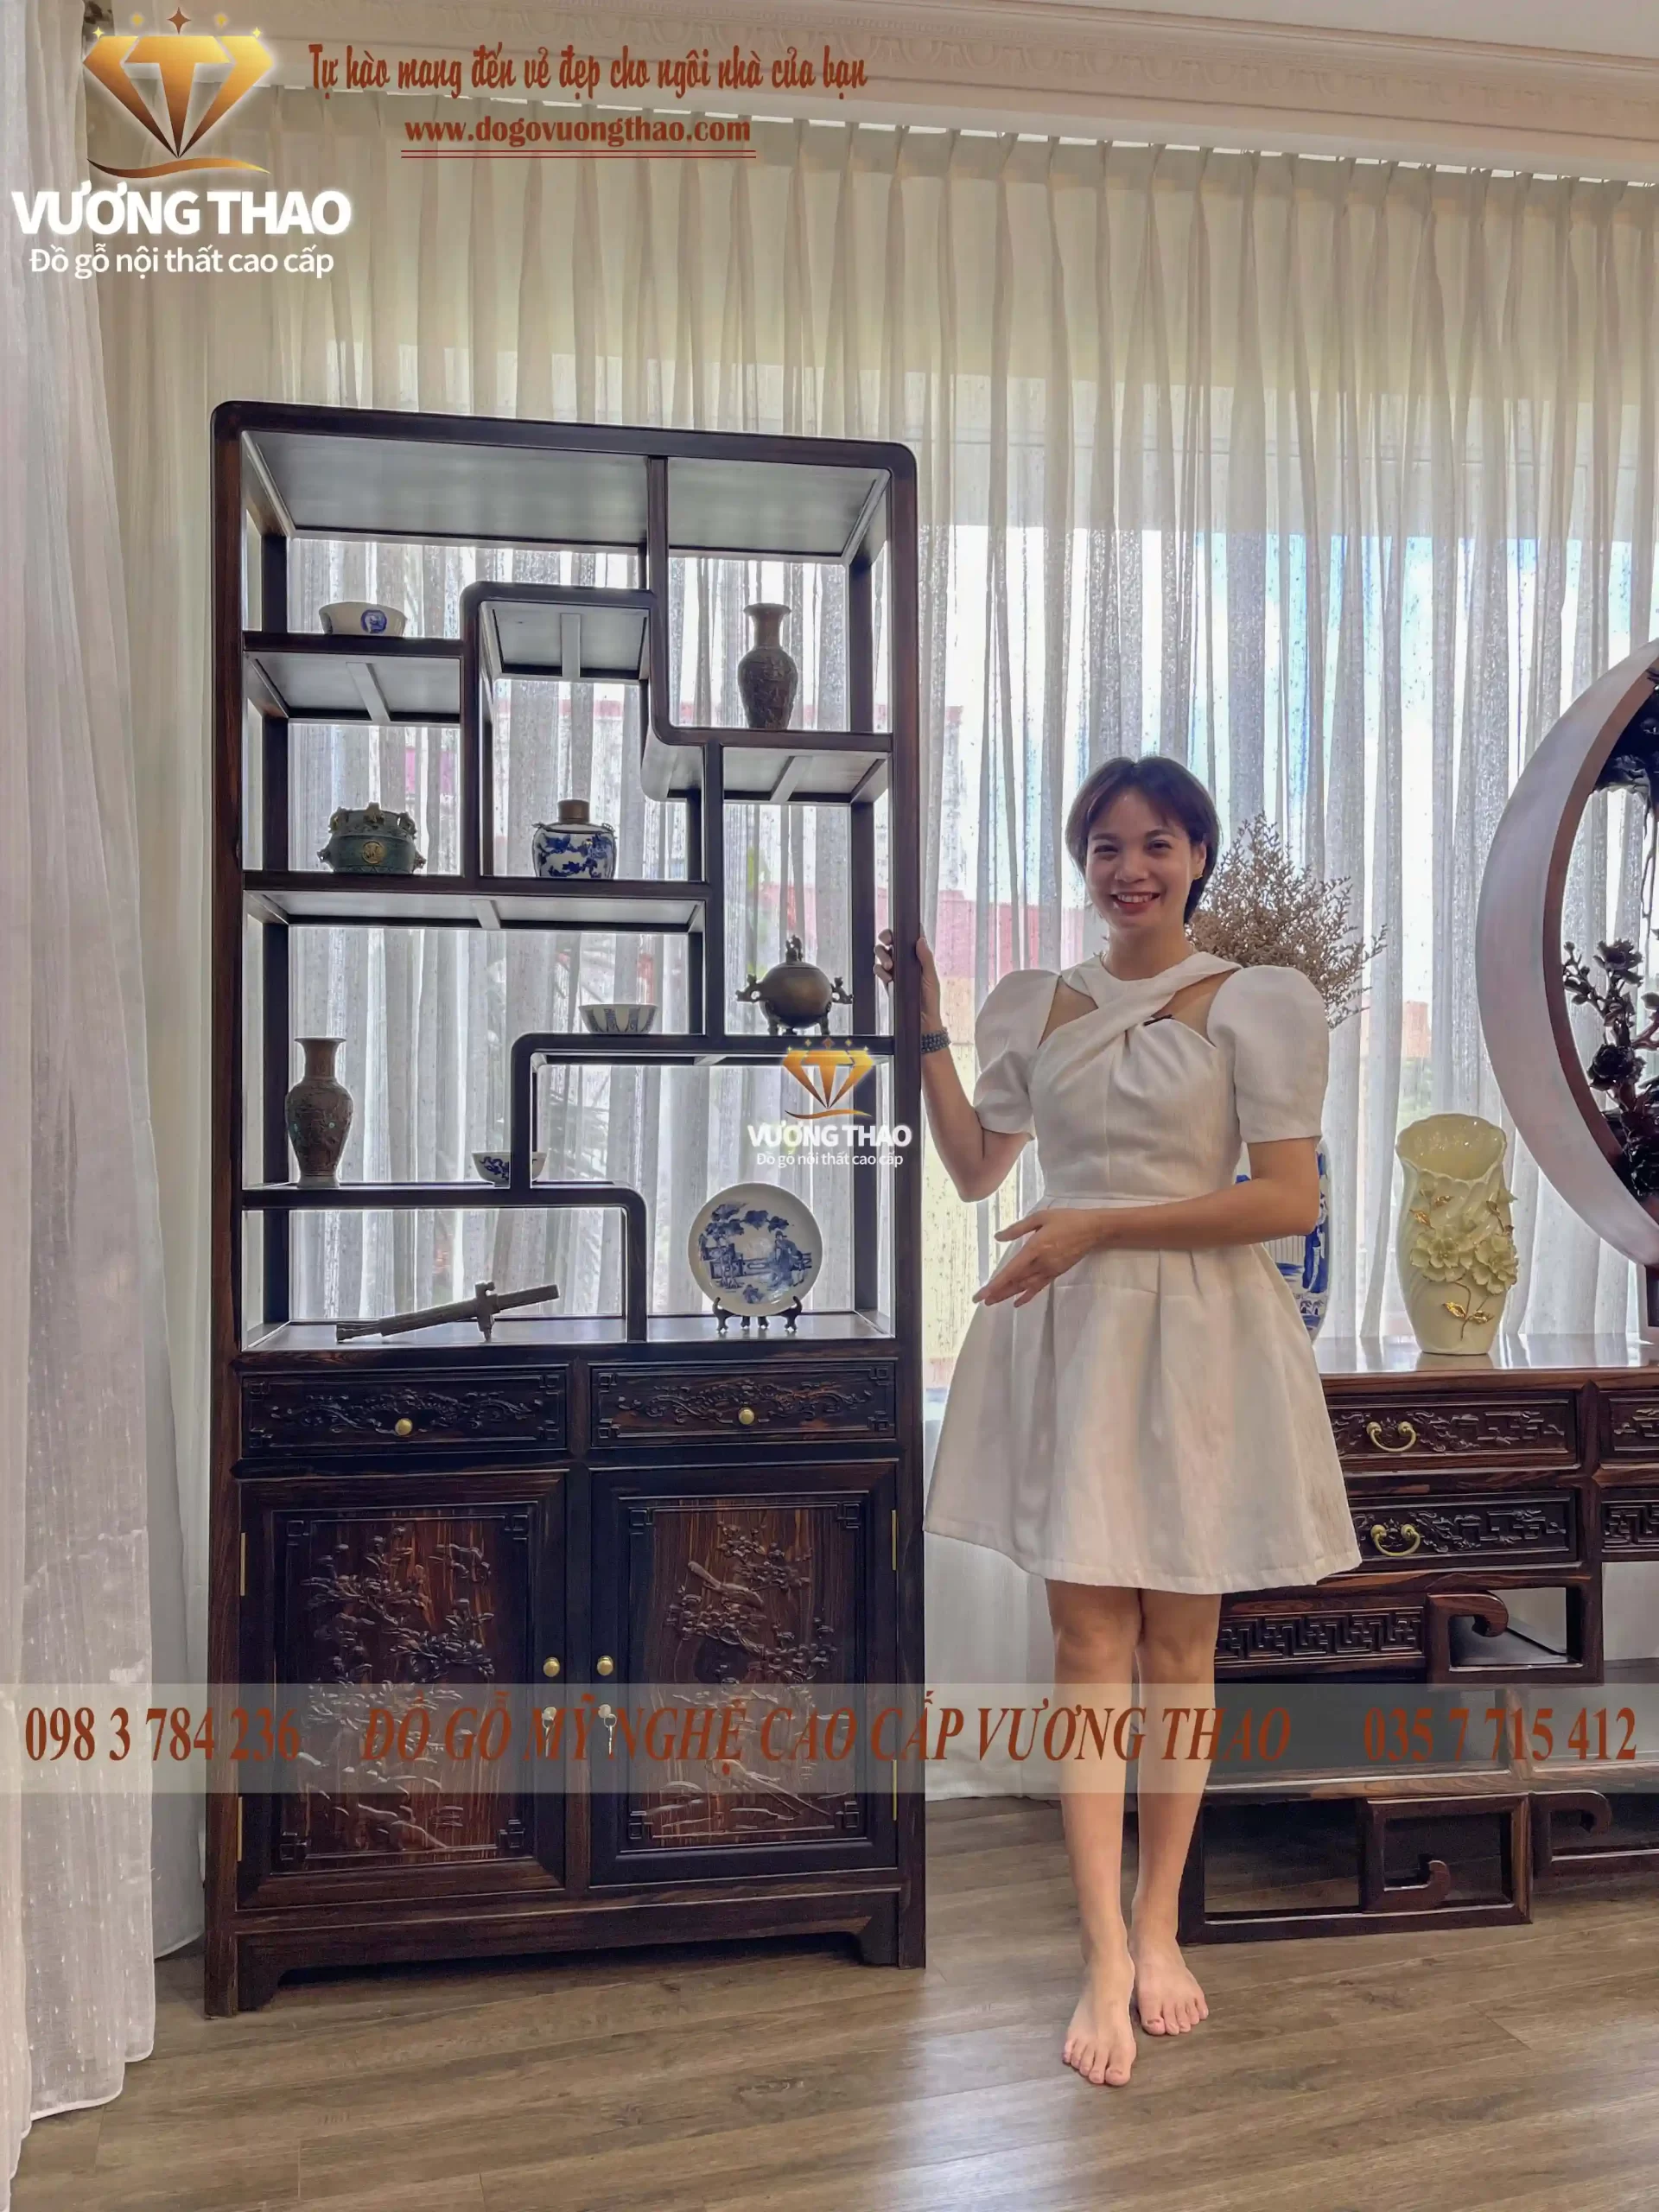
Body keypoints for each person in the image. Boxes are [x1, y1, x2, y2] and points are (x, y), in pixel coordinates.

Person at [876, 755, 1361, 2089]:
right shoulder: (1040, 1001)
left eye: (1155, 844)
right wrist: (927, 1033)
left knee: (1181, 1645)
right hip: (1073, 1331)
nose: (1129, 869)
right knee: (1088, 1641)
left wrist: (1100, 1224)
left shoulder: (1257, 1000)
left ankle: (1160, 1927)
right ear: (1081, 862)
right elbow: (979, 1167)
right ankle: (1101, 1950)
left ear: (1198, 855)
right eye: (1104, 846)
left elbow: (1288, 1202)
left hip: (1200, 1331)